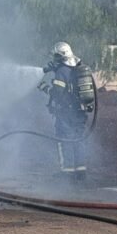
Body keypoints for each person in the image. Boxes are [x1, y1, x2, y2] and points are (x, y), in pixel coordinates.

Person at [39, 42, 88, 181]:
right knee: (78, 140)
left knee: (64, 140)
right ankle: (80, 172)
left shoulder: (62, 71)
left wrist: (44, 88)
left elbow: (57, 94)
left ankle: (66, 173)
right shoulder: (79, 68)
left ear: (61, 57)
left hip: (66, 113)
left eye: (56, 56)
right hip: (80, 112)